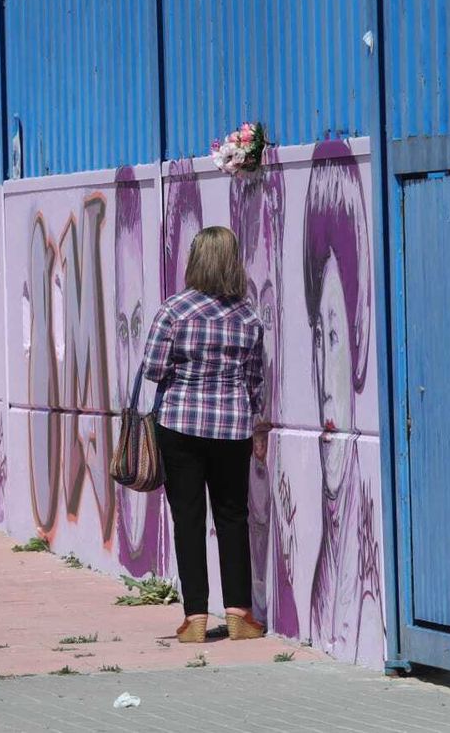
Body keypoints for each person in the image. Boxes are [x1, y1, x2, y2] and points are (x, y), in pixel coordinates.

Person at [140, 226, 270, 644]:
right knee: (233, 516)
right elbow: (255, 379)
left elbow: (153, 369)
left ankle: (195, 616)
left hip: (180, 425)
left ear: (195, 260)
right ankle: (239, 614)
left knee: (188, 518)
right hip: (232, 427)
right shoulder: (248, 317)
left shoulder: (173, 311)